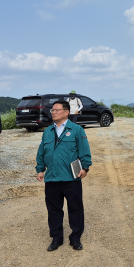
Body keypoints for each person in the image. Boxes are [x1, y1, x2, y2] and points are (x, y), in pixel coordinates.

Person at [36, 100, 91, 252]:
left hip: (71, 177)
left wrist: (85, 168)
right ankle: (56, 238)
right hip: (52, 177)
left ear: (66, 112)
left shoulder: (77, 130)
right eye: (52, 110)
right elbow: (41, 152)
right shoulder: (47, 131)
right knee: (54, 209)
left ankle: (75, 238)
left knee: (75, 208)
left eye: (56, 110)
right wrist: (40, 169)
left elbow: (84, 150)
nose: (53, 112)